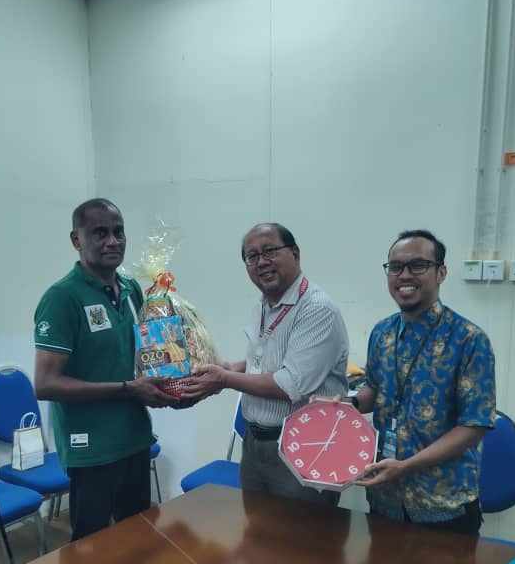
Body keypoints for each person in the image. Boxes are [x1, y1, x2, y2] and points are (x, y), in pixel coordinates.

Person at [34, 198, 174, 541]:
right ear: (76, 240)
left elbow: (146, 357)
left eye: (118, 232)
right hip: (91, 450)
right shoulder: (62, 298)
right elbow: (46, 384)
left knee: (137, 540)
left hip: (134, 438)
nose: (112, 241)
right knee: (91, 550)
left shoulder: (132, 289)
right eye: (99, 233)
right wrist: (127, 389)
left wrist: (175, 378)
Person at [180, 223, 349, 505]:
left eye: (270, 251)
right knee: (256, 528)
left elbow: (291, 384)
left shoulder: (317, 308)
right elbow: (267, 359)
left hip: (304, 447)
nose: (261, 262)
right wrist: (232, 368)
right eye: (252, 256)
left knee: (301, 531)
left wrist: (224, 379)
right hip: (255, 443)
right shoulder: (263, 305)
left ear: (295, 253)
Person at [353, 229, 496, 533]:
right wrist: (347, 404)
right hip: (384, 499)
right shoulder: (381, 333)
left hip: (443, 505)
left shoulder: (469, 339)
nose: (405, 275)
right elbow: (373, 389)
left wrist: (406, 467)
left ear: (441, 273)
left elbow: (474, 425)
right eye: (395, 267)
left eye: (417, 265)